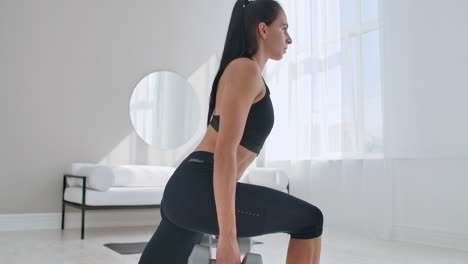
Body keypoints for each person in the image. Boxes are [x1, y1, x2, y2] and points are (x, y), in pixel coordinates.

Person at [138, 0, 323, 263]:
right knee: (310, 220)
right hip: (198, 188)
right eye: (284, 28)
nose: (289, 38)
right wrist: (228, 237)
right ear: (263, 29)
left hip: (188, 192)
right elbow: (225, 151)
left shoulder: (245, 72)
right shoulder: (244, 69)